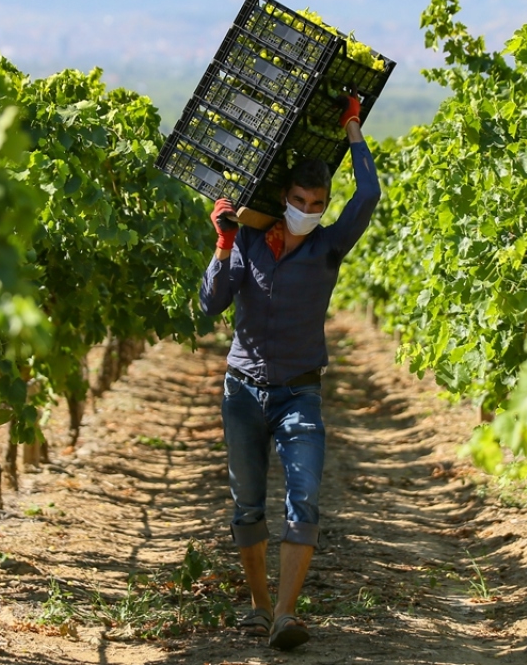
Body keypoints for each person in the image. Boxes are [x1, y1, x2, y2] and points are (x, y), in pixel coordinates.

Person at [199, 94, 378, 651]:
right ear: (284, 197)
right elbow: (210, 303)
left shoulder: (328, 246)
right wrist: (224, 244)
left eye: (318, 201)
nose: (309, 208)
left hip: (300, 393)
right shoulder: (249, 240)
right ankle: (256, 606)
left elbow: (368, 193)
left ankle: (284, 614)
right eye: (300, 199)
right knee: (247, 501)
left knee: (304, 497)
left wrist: (352, 125)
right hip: (243, 390)